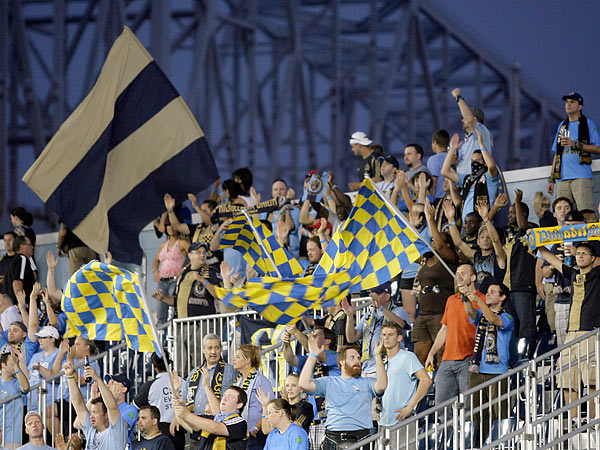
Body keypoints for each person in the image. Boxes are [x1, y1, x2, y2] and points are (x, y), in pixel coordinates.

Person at [537, 242, 600, 421]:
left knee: (592, 379)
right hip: (570, 333)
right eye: (578, 253)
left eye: (584, 254)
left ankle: (593, 419)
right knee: (566, 377)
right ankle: (573, 419)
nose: (579, 256)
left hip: (590, 332)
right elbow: (553, 261)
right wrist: (538, 246)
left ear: (593, 258)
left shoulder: (597, 274)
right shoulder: (572, 273)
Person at [299, 336, 387, 450]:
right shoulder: (328, 382)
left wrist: (377, 356)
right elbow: (304, 383)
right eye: (352, 357)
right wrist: (313, 355)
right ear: (342, 361)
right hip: (333, 437)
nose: (357, 361)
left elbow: (382, 386)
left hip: (362, 437)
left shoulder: (367, 382)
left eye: (358, 358)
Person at [463, 283, 514, 444]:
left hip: (498, 371)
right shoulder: (481, 314)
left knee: (499, 411)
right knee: (479, 413)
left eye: (493, 292)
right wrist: (466, 298)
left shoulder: (508, 317)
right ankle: (480, 444)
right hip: (477, 370)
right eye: (487, 292)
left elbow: (493, 319)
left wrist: (478, 299)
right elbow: (471, 313)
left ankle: (503, 442)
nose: (488, 294)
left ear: (502, 297)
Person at [425, 264, 482, 405]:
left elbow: (473, 315)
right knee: (441, 406)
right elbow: (444, 329)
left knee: (469, 405)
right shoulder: (451, 300)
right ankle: (446, 428)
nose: (459, 276)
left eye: (463, 273)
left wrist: (467, 297)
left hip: (469, 358)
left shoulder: (482, 299)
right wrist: (432, 353)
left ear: (473, 277)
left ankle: (468, 428)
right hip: (447, 359)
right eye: (457, 273)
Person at [412, 200, 459, 365]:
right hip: (423, 314)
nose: (434, 242)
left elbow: (439, 245)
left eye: (438, 240)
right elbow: (408, 250)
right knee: (419, 357)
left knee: (441, 355)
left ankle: (441, 387)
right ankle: (423, 388)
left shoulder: (450, 258)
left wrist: (430, 220)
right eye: (432, 240)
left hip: (441, 314)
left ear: (448, 244)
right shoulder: (426, 258)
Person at [547, 92, 600, 220]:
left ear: (580, 106)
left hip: (581, 176)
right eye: (567, 102)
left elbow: (598, 148)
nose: (568, 105)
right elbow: (557, 154)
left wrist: (575, 144)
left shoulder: (588, 124)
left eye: (572, 102)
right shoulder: (562, 125)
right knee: (562, 216)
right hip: (562, 178)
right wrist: (551, 178)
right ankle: (567, 241)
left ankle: (592, 240)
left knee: (587, 213)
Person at [63, 352, 127, 450]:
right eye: (91, 412)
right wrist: (70, 376)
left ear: (106, 415)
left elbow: (112, 407)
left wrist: (97, 379)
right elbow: (78, 404)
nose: (91, 415)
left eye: (95, 412)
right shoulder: (91, 430)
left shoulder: (116, 432)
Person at [343, 282, 409, 375]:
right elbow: (351, 338)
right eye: (372, 293)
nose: (373, 297)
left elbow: (400, 325)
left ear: (387, 296)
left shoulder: (398, 311)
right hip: (367, 368)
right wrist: (349, 316)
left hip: (389, 367)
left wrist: (381, 308)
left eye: (377, 294)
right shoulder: (369, 314)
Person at [379, 322, 431, 439]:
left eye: (390, 335)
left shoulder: (408, 357)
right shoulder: (381, 360)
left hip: (402, 420)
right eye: (384, 334)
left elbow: (426, 380)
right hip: (383, 421)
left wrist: (410, 407)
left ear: (399, 338)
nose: (386, 338)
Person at [184, 334, 238, 446]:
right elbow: (185, 400)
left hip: (217, 431)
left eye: (216, 348)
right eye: (209, 348)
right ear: (203, 349)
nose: (213, 352)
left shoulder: (231, 370)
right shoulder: (194, 372)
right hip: (195, 431)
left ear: (221, 349)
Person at [441, 130, 500, 223]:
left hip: (483, 226)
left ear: (484, 163)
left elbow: (492, 166)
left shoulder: (489, 178)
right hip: (467, 227)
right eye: (472, 161)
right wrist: (452, 149)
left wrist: (481, 144)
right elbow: (445, 171)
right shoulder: (467, 179)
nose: (474, 163)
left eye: (477, 160)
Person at [134, 352, 185, 449]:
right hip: (180, 427)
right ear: (169, 363)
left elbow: (136, 405)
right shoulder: (182, 381)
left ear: (154, 366)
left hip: (162, 429)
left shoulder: (150, 385)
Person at [173, 385, 248, 450]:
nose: (224, 398)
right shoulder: (212, 419)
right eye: (224, 395)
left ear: (239, 404)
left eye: (230, 397)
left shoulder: (239, 422)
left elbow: (215, 428)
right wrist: (175, 395)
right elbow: (190, 423)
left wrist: (186, 415)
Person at [232, 344, 273, 449]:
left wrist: (255, 428)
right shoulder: (238, 381)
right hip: (239, 433)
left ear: (248, 360)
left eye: (238, 357)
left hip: (255, 434)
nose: (234, 359)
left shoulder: (261, 380)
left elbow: (270, 407)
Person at [152, 220, 189, 326]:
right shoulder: (164, 244)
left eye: (172, 226)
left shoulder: (182, 242)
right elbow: (156, 260)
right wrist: (155, 271)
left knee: (174, 312)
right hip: (162, 281)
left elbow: (193, 255)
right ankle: (162, 341)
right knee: (160, 314)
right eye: (168, 226)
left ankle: (174, 340)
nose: (170, 228)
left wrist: (184, 269)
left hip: (174, 280)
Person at [451, 88, 493, 175]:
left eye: (464, 118)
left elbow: (469, 120)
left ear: (475, 119)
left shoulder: (482, 131)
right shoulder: (466, 142)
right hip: (466, 185)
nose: (462, 120)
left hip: (478, 183)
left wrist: (458, 97)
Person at [0, 350, 30, 449]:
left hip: (13, 437)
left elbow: (26, 388)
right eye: (12, 362)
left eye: (16, 361)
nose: (15, 364)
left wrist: (17, 365)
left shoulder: (17, 382)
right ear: (3, 365)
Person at [103, 373, 138, 446]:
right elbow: (77, 424)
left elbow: (119, 428)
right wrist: (92, 399)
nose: (107, 386)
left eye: (112, 383)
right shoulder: (102, 407)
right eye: (107, 383)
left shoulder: (131, 409)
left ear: (124, 389)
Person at [5, 236, 37, 304]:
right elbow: (17, 282)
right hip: (20, 307)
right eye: (30, 244)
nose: (32, 247)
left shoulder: (14, 261)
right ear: (22, 246)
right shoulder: (22, 259)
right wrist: (21, 305)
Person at [428, 129, 450, 199]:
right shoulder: (453, 158)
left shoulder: (433, 159)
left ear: (435, 142)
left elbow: (434, 181)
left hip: (438, 198)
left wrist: (432, 198)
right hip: (451, 196)